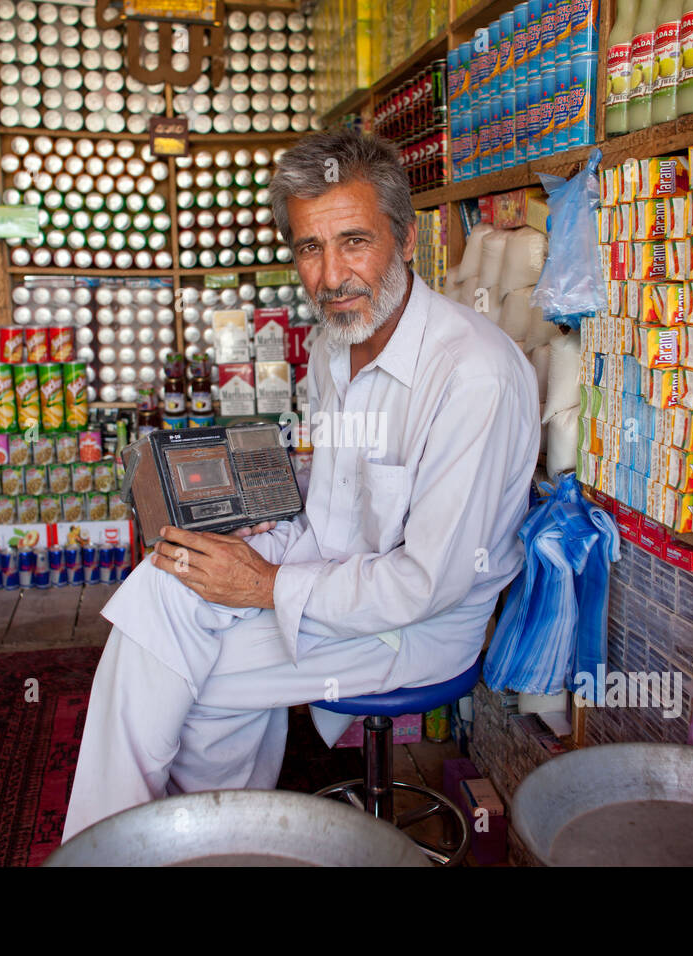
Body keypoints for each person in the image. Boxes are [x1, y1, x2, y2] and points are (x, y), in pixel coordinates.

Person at [61, 129, 541, 843]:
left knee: (187, 680)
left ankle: (151, 848)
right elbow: (345, 490)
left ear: (406, 240)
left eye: (354, 241)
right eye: (310, 248)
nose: (331, 275)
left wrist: (263, 586)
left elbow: (427, 583)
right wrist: (264, 512)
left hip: (414, 625)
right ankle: (169, 845)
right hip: (328, 564)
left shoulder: (473, 375)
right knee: (164, 586)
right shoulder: (332, 343)